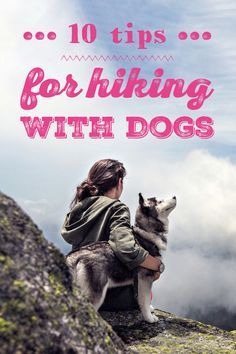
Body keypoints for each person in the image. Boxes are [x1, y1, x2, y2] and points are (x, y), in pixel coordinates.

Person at [61, 159, 161, 311]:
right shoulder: (117, 208)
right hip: (110, 297)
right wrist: (156, 265)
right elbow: (125, 247)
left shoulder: (79, 208)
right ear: (119, 182)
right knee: (146, 289)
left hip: (80, 290)